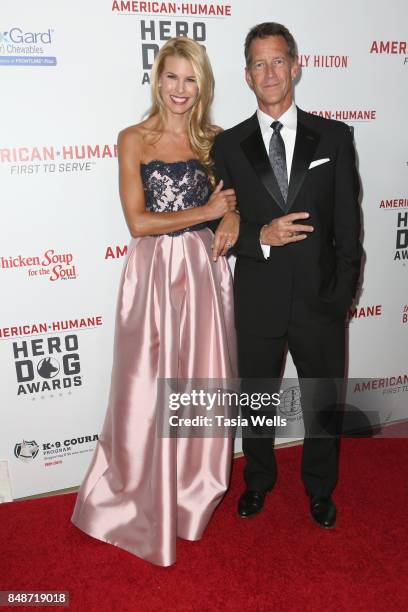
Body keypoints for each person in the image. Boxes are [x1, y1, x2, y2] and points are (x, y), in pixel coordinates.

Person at [71, 37, 239, 566]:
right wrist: (207, 210)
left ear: (202, 85)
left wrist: (230, 216)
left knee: (202, 383)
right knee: (145, 388)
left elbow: (232, 207)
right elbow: (139, 222)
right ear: (157, 79)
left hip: (203, 275)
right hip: (151, 277)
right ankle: (135, 495)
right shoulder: (133, 139)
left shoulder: (217, 141)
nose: (181, 90)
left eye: (191, 79)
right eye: (172, 77)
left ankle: (191, 495)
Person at [211, 22, 362, 528]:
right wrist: (261, 236)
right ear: (247, 77)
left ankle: (320, 488)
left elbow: (348, 222)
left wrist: (342, 295)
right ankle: (257, 481)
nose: (270, 72)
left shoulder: (335, 136)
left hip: (321, 300)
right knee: (255, 400)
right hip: (258, 297)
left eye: (278, 61)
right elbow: (220, 218)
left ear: (296, 66)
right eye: (259, 64)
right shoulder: (228, 146)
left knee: (323, 402)